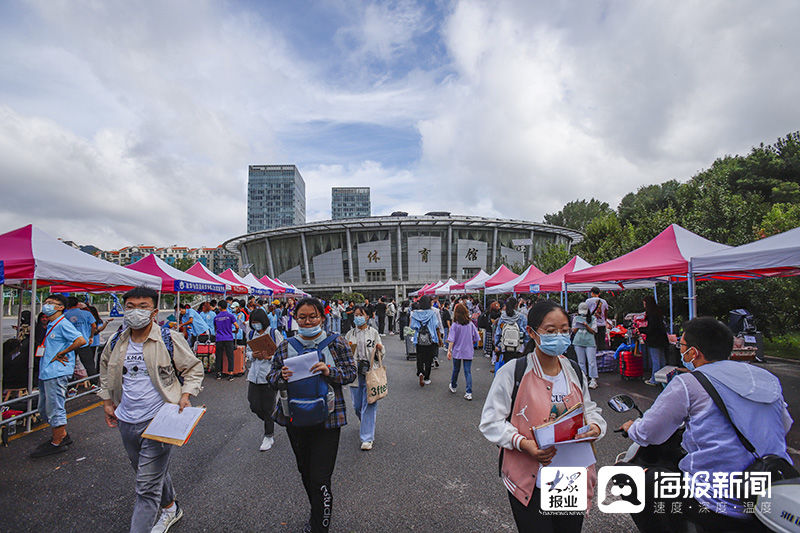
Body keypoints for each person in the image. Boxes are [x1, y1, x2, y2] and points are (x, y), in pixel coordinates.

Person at [620, 317, 794, 532]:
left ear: (693, 352)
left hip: (717, 501)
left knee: (634, 479)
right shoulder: (766, 378)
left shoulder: (688, 383)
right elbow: (784, 425)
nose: (680, 351)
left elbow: (649, 433)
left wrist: (631, 427)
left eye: (681, 346)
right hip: (771, 488)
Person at [480, 300, 606, 533]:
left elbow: (589, 410)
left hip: (570, 478)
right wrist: (524, 443)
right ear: (531, 332)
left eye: (565, 330)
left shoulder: (574, 370)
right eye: (550, 331)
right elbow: (490, 422)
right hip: (530, 480)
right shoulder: (513, 372)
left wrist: (596, 427)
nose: (559, 336)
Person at [98, 286, 204, 533]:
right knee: (149, 474)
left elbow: (193, 369)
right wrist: (106, 401)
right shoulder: (116, 341)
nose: (136, 312)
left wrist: (186, 395)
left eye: (143, 307)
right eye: (130, 307)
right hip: (126, 419)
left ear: (154, 312)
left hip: (160, 420)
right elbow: (105, 370)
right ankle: (171, 507)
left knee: (145, 486)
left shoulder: (169, 338)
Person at [267, 298, 356, 533]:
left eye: (313, 316)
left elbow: (350, 373)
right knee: (305, 471)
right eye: (303, 317)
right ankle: (316, 510)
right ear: (296, 319)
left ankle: (320, 525)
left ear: (322, 318)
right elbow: (271, 378)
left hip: (328, 419)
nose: (308, 321)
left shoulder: (336, 343)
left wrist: (330, 370)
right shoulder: (286, 346)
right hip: (294, 418)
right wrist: (281, 376)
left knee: (320, 477)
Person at [29, 294, 87, 458]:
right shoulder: (51, 324)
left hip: (56, 372)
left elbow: (80, 340)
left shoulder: (63, 324)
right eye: (45, 303)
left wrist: (63, 352)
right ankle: (61, 434)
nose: (46, 306)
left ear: (60, 307)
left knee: (55, 407)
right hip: (46, 372)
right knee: (44, 408)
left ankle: (57, 442)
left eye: (50, 303)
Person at [344, 305, 383, 450]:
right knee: (357, 406)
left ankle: (367, 438)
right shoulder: (349, 334)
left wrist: (380, 349)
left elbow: (381, 352)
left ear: (367, 316)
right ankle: (365, 422)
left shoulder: (373, 333)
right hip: (355, 373)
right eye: (356, 315)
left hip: (370, 372)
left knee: (370, 403)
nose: (358, 317)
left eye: (361, 314)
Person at [246, 308, 283, 451]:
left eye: (257, 322)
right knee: (253, 404)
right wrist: (253, 355)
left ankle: (269, 435)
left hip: (269, 374)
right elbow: (248, 352)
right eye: (253, 322)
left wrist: (270, 357)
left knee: (268, 407)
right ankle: (272, 419)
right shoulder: (251, 333)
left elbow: (282, 353)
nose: (256, 325)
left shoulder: (274, 333)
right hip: (254, 375)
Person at [447, 303, 480, 400]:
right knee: (467, 371)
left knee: (456, 369)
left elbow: (451, 339)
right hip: (468, 350)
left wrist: (449, 350)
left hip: (457, 350)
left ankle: (453, 386)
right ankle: (468, 392)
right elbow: (477, 337)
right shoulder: (470, 324)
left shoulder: (455, 325)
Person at [63, 297, 98, 385]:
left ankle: (71, 386)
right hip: (84, 342)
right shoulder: (86, 313)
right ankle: (94, 384)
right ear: (77, 304)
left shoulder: (65, 315)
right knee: (89, 364)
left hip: (71, 344)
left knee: (70, 365)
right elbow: (94, 326)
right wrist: (91, 336)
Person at [410, 295, 441, 387]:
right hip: (430, 339)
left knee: (419, 357)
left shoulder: (415, 313)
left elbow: (412, 326)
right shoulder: (432, 313)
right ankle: (427, 378)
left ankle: (420, 372)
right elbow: (436, 325)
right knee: (428, 359)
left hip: (419, 339)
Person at [641, 295, 668, 386]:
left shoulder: (651, 314)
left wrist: (642, 330)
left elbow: (651, 329)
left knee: (656, 360)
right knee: (662, 359)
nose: (644, 305)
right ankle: (663, 378)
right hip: (662, 339)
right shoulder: (658, 312)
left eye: (644, 303)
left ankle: (655, 380)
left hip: (654, 340)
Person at [571, 302, 599, 389]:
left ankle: (593, 379)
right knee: (581, 362)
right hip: (578, 341)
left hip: (590, 342)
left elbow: (594, 331)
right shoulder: (576, 318)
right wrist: (578, 326)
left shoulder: (593, 318)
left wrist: (587, 326)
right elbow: (573, 331)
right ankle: (583, 378)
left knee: (591, 362)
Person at [494, 297, 527, 369]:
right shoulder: (522, 317)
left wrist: (497, 345)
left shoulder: (503, 317)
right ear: (516, 305)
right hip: (519, 348)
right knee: (518, 369)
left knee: (508, 368)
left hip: (506, 347)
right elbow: (526, 334)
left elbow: (498, 333)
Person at [213, 301, 239, 381]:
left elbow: (215, 328)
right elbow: (237, 326)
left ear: (219, 307)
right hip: (228, 338)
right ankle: (230, 374)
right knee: (230, 356)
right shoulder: (230, 316)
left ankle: (218, 373)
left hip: (219, 338)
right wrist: (235, 331)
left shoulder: (216, 317)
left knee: (219, 356)